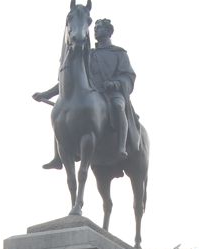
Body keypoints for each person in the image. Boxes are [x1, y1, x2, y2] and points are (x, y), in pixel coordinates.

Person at [34, 16, 138, 167]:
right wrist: (46, 94)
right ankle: (58, 157)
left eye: (99, 28)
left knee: (118, 106)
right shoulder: (89, 55)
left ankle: (121, 146)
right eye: (94, 28)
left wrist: (116, 83)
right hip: (92, 93)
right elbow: (71, 81)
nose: (95, 30)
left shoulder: (119, 53)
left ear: (108, 31)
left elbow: (129, 75)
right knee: (61, 111)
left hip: (111, 93)